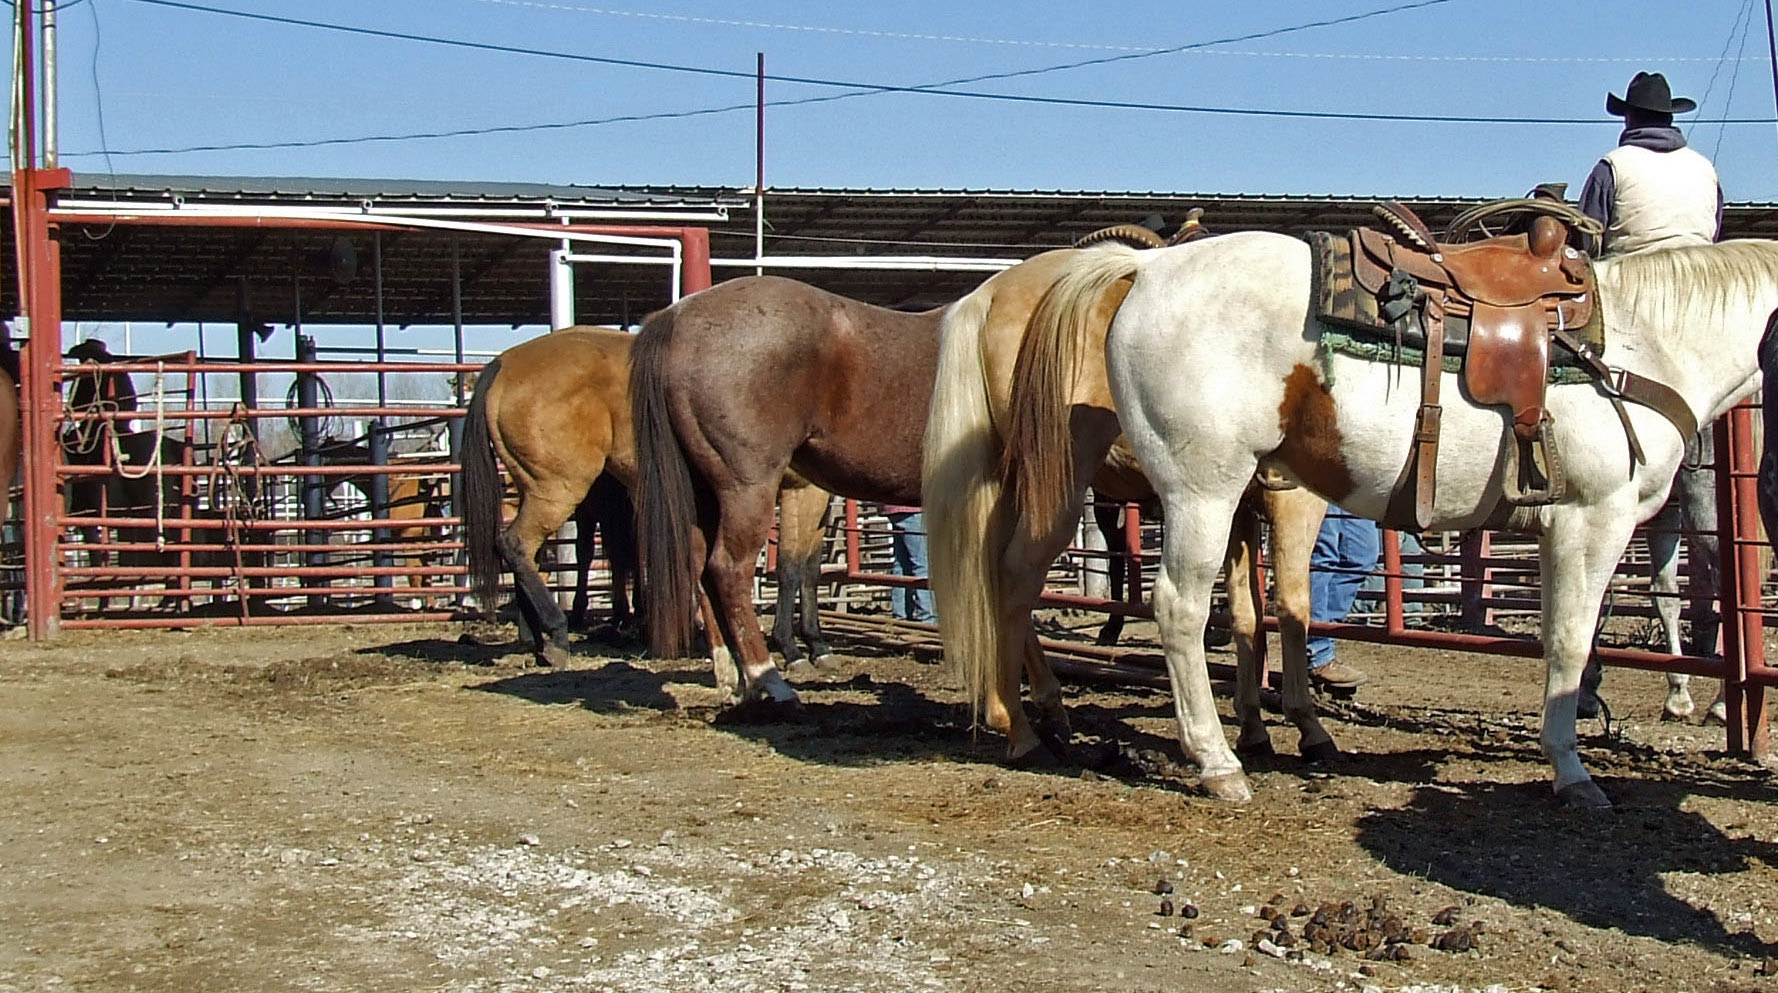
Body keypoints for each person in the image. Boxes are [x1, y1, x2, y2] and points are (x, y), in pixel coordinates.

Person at [1574, 71, 1723, 718]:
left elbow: (1586, 246)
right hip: (1703, 349)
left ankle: (1585, 676)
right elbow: (1715, 240)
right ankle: (1722, 671)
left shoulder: (1613, 166)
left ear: (1628, 118)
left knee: (1594, 508)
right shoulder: (1705, 170)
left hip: (1634, 341)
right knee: (1717, 526)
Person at [1306, 505, 1375, 692]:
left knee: (1362, 556)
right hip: (1319, 481)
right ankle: (1317, 652)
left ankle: (1322, 635)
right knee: (1323, 555)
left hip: (1354, 484)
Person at [881, 504, 936, 623]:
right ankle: (928, 617)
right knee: (922, 563)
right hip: (912, 508)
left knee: (901, 564)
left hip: (892, 508)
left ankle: (900, 614)